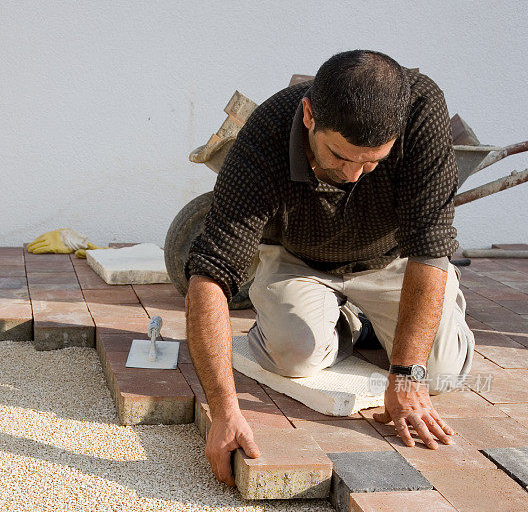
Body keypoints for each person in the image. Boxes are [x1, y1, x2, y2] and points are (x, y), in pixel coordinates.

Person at [184, 50, 475, 486]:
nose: (355, 174)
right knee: (293, 353)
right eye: (340, 155)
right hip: (300, 260)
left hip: (390, 261)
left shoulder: (421, 110)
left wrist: (407, 372)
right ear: (309, 115)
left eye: (372, 161)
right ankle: (349, 324)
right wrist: (225, 411)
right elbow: (210, 273)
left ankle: (373, 320)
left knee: (439, 373)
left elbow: (431, 250)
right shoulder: (264, 135)